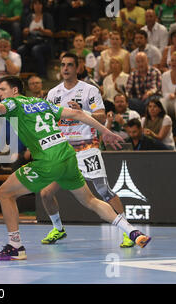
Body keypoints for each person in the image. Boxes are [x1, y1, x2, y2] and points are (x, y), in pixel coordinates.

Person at [0, 75, 151, 261]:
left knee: (4, 193)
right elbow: (78, 114)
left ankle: (15, 246)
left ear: (15, 91)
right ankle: (132, 231)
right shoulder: (42, 103)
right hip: (67, 154)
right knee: (90, 200)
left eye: (2, 90)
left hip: (48, 159)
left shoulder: (14, 102)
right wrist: (105, 131)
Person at [43, 53, 135, 248]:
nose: (65, 68)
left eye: (69, 65)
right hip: (64, 152)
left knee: (104, 191)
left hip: (87, 148)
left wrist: (81, 111)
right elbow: (48, 121)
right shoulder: (53, 93)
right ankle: (58, 229)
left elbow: (101, 117)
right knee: (45, 193)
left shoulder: (89, 90)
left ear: (78, 68)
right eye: (62, 65)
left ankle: (128, 231)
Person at [17, 0, 54, 78]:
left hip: (44, 41)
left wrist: (41, 30)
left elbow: (51, 33)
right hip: (31, 41)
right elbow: (25, 34)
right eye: (35, 4)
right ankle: (23, 74)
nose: (37, 6)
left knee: (36, 49)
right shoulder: (29, 17)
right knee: (20, 50)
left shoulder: (47, 16)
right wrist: (25, 32)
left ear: (42, 6)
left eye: (39, 4)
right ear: (32, 6)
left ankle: (42, 74)